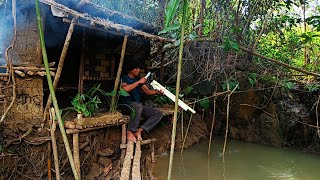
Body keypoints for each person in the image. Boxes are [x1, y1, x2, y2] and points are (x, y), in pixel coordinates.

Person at [121, 62, 164, 142]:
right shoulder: (124, 78)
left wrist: (157, 92)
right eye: (136, 68)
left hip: (138, 107)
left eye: (139, 68)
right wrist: (138, 82)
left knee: (158, 113)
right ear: (130, 70)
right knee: (138, 106)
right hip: (126, 105)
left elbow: (148, 92)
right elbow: (124, 89)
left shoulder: (138, 80)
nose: (138, 70)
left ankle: (139, 131)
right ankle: (130, 131)